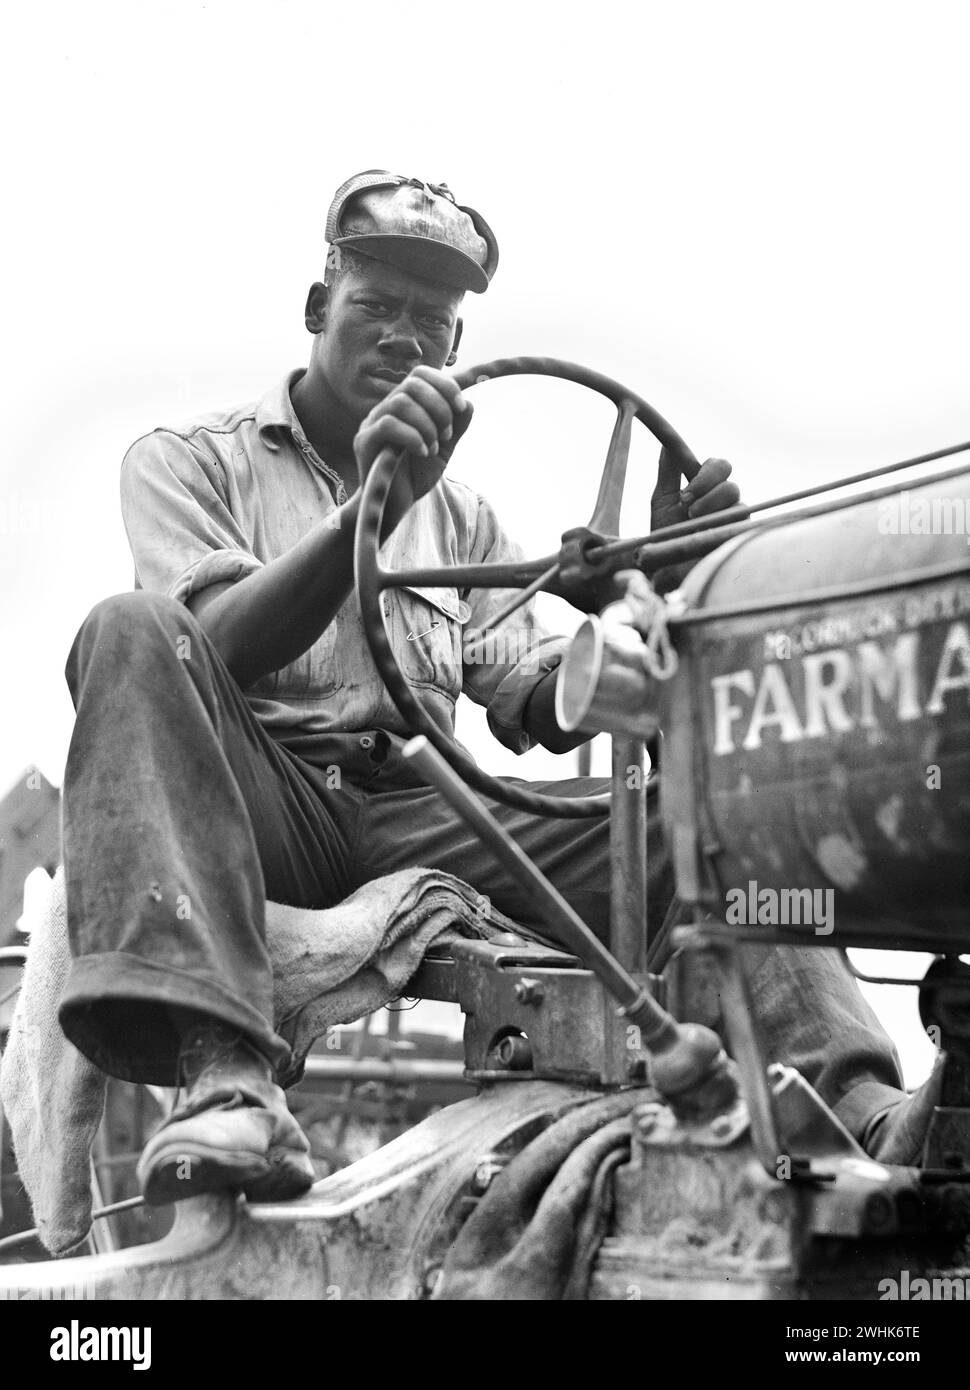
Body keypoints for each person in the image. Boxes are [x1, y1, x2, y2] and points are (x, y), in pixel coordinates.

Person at [58, 170, 934, 1205]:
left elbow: (536, 696)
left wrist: (663, 586)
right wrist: (365, 523)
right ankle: (226, 1079)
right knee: (126, 629)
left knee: (703, 826)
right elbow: (209, 643)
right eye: (375, 308)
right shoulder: (186, 463)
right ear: (315, 311)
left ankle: (852, 1114)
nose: (404, 339)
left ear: (460, 353)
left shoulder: (466, 522)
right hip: (261, 813)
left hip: (419, 806)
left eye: (432, 321)